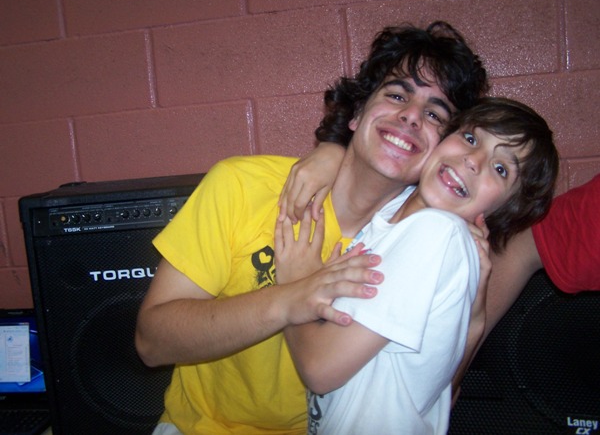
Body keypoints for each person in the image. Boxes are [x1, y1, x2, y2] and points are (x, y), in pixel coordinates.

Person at [134, 21, 489, 434]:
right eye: (396, 95)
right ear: (357, 112)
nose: (411, 116)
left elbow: (429, 399)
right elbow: (151, 342)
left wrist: (473, 314)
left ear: (442, 149)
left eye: (434, 114)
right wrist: (293, 298)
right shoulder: (243, 185)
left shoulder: (419, 246)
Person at [276, 97, 559, 434]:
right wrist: (330, 150)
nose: (473, 161)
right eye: (470, 138)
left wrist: (293, 286)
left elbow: (319, 369)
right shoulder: (392, 213)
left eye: (501, 169)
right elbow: (441, 395)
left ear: (505, 208)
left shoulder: (438, 234)